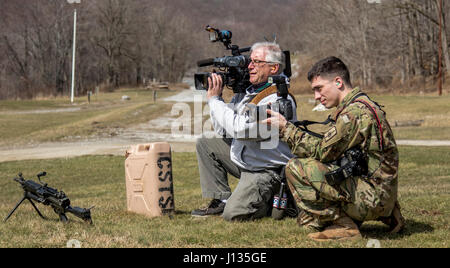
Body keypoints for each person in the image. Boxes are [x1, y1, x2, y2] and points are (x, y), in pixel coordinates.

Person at [262, 56, 405, 241]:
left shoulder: (353, 114)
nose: (316, 96)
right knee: (307, 220)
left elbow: (322, 152)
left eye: (319, 88)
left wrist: (286, 129)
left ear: (338, 82)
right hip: (383, 194)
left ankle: (344, 226)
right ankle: (389, 215)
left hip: (373, 197)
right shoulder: (363, 104)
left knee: (296, 167)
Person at [191, 42, 297, 221]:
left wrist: (215, 101)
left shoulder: (278, 99)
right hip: (247, 161)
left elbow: (241, 129)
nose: (249, 66)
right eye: (250, 61)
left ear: (274, 68)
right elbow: (223, 131)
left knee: (233, 215)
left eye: (256, 62)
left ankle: (274, 198)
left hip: (266, 170)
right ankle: (221, 199)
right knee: (206, 142)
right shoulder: (249, 93)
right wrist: (218, 98)